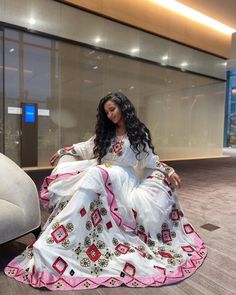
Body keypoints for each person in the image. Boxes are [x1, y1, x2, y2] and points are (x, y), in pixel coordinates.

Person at [5, 92, 207, 291]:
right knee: (96, 172)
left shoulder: (138, 132)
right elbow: (87, 147)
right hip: (102, 173)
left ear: (123, 107)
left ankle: (61, 236)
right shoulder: (107, 133)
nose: (110, 115)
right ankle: (61, 238)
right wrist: (64, 151)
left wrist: (167, 169)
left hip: (124, 178)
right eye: (106, 112)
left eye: (112, 109)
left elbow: (149, 160)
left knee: (97, 172)